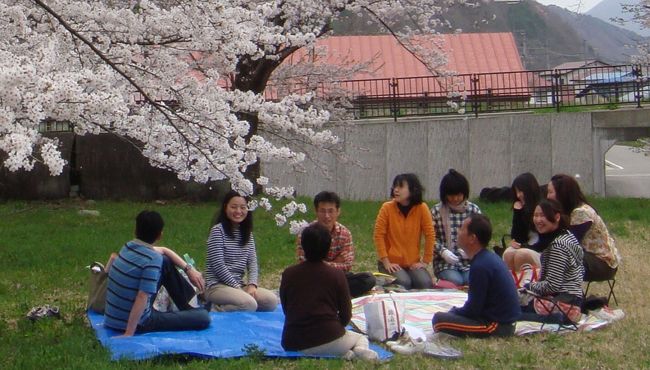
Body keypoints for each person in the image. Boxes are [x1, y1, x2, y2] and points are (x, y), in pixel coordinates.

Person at [281, 224, 378, 361]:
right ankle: (358, 350)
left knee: (336, 349)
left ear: (303, 247)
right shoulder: (336, 275)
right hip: (329, 338)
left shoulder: (288, 274)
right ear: (328, 249)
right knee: (359, 338)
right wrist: (334, 327)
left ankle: (346, 355)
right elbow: (346, 314)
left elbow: (286, 308)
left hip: (292, 342)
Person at [104, 211, 210, 336]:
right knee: (203, 317)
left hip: (112, 317)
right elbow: (142, 296)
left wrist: (189, 269)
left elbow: (164, 251)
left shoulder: (127, 247)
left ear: (135, 230)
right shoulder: (152, 259)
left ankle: (189, 307)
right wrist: (129, 333)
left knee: (165, 261)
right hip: (138, 322)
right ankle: (192, 312)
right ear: (160, 235)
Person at [432, 214, 521, 338]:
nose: (458, 232)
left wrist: (454, 312)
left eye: (462, 229)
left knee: (438, 320)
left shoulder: (480, 266)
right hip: (501, 320)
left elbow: (472, 310)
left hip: (496, 326)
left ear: (472, 238)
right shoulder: (487, 258)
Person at [204, 190, 278, 312]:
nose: (238, 211)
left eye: (243, 207)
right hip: (217, 286)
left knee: (270, 301)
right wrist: (237, 288)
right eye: (233, 207)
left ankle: (237, 304)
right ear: (225, 208)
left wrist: (252, 285)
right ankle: (214, 309)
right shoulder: (218, 231)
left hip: (239, 285)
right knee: (249, 304)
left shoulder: (247, 234)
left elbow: (253, 262)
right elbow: (218, 265)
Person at [296, 191, 376, 298]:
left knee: (368, 279)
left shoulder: (344, 233)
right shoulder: (306, 233)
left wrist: (324, 265)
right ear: (316, 211)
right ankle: (335, 294)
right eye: (322, 211)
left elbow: (347, 265)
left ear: (338, 211)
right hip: (313, 279)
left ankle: (327, 294)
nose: (327, 216)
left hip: (336, 278)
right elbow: (305, 264)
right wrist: (336, 262)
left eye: (331, 211)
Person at [520, 199, 584, 323]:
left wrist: (528, 286)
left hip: (563, 301)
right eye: (536, 215)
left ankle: (554, 319)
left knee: (509, 312)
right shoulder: (567, 236)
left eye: (542, 216)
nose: (538, 220)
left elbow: (552, 285)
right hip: (574, 298)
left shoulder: (557, 246)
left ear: (557, 217)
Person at [548, 174, 620, 281]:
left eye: (550, 192)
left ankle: (566, 295)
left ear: (562, 194)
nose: (547, 196)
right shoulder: (569, 211)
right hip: (587, 257)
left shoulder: (581, 213)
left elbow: (567, 244)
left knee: (560, 257)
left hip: (602, 263)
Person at [373, 173, 435, 290]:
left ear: (412, 190)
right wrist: (386, 262)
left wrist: (425, 261)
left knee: (425, 283)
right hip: (390, 262)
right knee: (403, 282)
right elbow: (378, 235)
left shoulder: (422, 208)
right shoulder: (387, 208)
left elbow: (430, 235)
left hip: (412, 262)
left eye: (400, 187)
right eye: (395, 186)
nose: (396, 190)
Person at [431, 169, 481, 286]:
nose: (455, 199)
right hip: (444, 263)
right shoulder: (436, 211)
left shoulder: (474, 210)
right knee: (456, 281)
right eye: (451, 195)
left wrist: (471, 251)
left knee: (470, 280)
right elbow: (431, 237)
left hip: (469, 261)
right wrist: (443, 251)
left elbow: (481, 236)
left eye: (458, 195)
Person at [502, 173, 542, 282]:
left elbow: (544, 240)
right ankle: (511, 285)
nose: (519, 195)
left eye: (521, 191)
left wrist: (523, 246)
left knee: (521, 254)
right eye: (516, 191)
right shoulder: (521, 208)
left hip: (541, 249)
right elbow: (517, 236)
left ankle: (524, 286)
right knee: (508, 253)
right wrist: (518, 213)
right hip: (526, 245)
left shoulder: (542, 208)